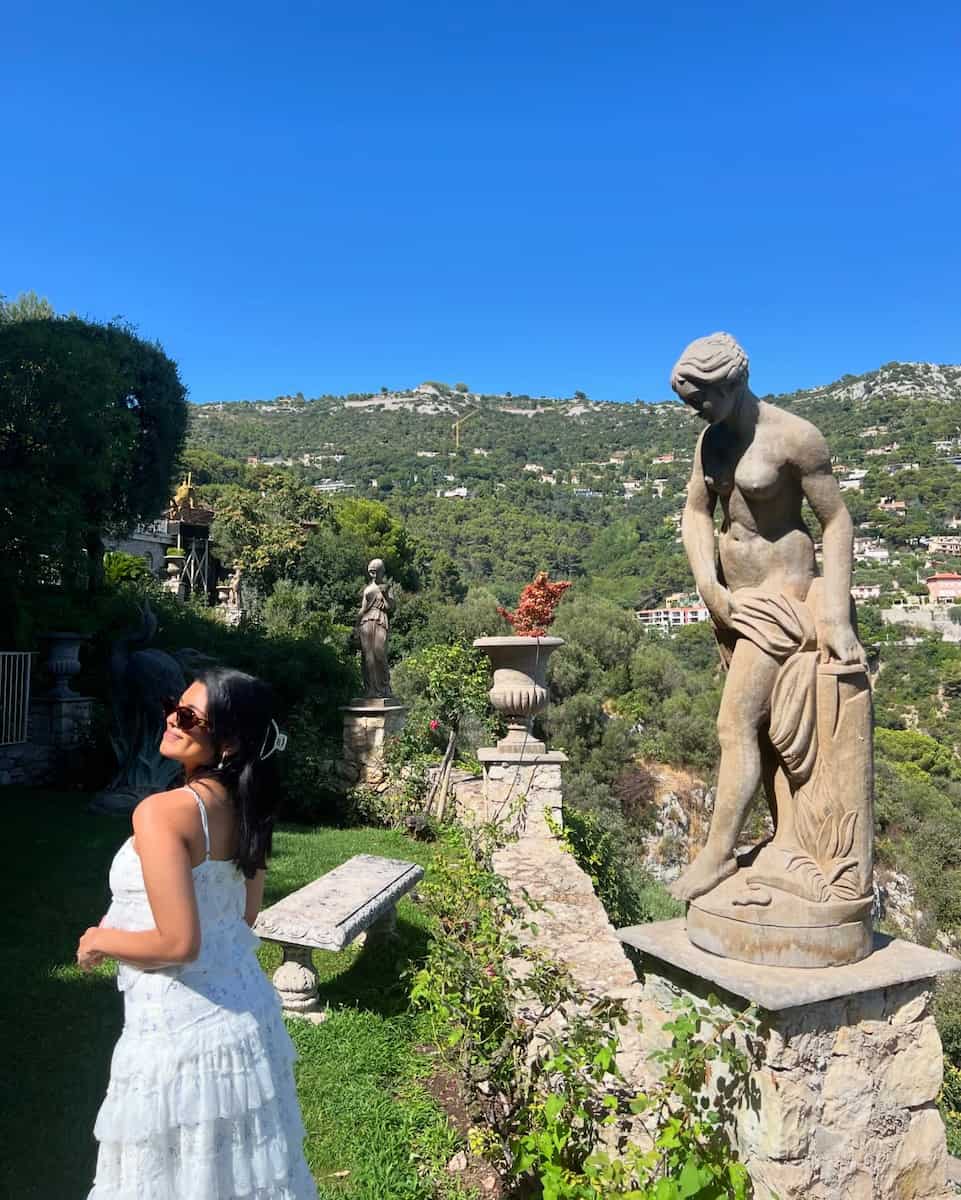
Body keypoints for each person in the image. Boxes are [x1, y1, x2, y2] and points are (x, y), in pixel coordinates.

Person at [77, 667, 317, 1199]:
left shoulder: (161, 813)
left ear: (227, 742)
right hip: (246, 1024)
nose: (171, 719)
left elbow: (178, 945)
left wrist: (98, 939)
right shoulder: (249, 805)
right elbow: (243, 916)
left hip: (178, 1035)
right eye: (173, 706)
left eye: (188, 716)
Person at [669, 332, 865, 902]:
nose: (696, 411)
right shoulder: (710, 442)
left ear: (733, 382)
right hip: (733, 605)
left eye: (702, 398)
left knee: (734, 725)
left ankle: (718, 854)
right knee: (763, 730)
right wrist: (708, 584)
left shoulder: (796, 437)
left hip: (781, 599)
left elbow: (836, 521)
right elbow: (696, 511)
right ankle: (788, 841)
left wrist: (835, 614)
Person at [356, 558, 395, 698]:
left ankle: (384, 688)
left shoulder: (386, 588)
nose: (373, 573)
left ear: (381, 571)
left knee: (380, 653)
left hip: (380, 620)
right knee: (368, 657)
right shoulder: (367, 590)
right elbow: (362, 609)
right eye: (371, 571)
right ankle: (370, 689)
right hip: (366, 622)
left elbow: (391, 607)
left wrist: (385, 594)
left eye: (376, 570)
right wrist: (356, 626)